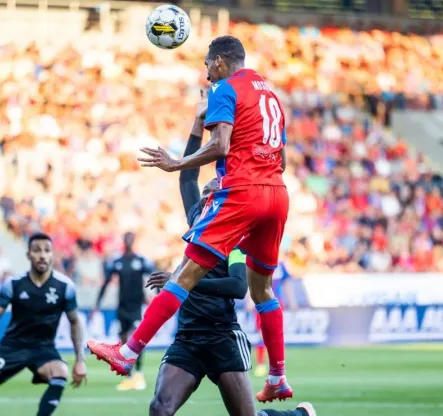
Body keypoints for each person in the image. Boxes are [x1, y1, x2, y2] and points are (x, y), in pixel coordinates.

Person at [87, 34, 293, 403]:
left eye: (206, 64)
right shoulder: (270, 96)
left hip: (242, 193)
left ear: (218, 62)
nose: (206, 72)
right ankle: (277, 377)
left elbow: (221, 146)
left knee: (183, 275)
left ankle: (128, 352)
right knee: (264, 290)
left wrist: (177, 162)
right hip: (276, 193)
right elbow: (282, 159)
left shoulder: (225, 89)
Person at [144, 101, 315, 416]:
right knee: (160, 408)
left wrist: (182, 283)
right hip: (187, 337)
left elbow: (238, 287)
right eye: (208, 183)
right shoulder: (198, 217)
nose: (209, 184)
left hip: (222, 335)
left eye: (215, 182)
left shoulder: (235, 234)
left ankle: (297, 415)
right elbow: (186, 179)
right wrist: (198, 124)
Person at [0, 233, 87, 415]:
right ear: (28, 255)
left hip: (43, 348)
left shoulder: (65, 287)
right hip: (12, 347)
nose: (42, 255)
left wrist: (80, 360)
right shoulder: (13, 284)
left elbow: (75, 323)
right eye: (37, 250)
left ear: (52, 255)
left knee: (60, 371)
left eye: (47, 250)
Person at [95, 231, 155, 391]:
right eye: (126, 238)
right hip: (122, 306)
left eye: (131, 238)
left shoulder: (141, 260)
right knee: (123, 341)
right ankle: (128, 376)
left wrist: (154, 295)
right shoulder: (117, 261)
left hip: (136, 306)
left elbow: (154, 276)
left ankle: (139, 374)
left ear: (133, 240)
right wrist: (97, 303)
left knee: (137, 339)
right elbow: (106, 282)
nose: (128, 241)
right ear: (123, 240)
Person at [253, 260, 296, 377]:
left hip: (276, 303)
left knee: (276, 334)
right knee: (261, 334)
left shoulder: (281, 265)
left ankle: (278, 366)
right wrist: (248, 300)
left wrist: (292, 300)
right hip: (260, 302)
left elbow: (286, 283)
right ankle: (261, 364)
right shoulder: (256, 260)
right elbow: (250, 281)